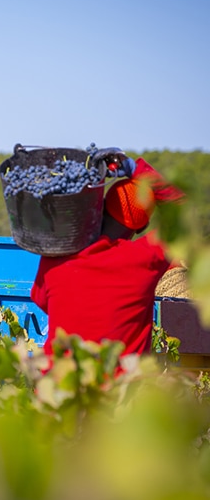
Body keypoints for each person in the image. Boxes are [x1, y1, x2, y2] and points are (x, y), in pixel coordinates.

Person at [30, 153, 184, 358]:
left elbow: (41, 300)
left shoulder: (57, 257)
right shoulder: (145, 259)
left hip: (60, 386)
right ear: (141, 228)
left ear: (100, 208)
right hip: (118, 389)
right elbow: (190, 218)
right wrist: (135, 169)